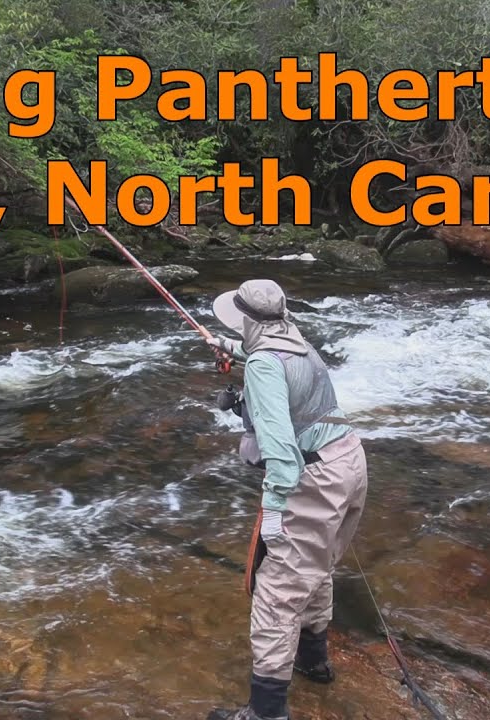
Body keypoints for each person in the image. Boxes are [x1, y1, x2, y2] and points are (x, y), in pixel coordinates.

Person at [201, 278, 368, 720]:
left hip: (314, 474)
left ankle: (266, 712)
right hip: (350, 460)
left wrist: (274, 510)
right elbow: (269, 358)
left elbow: (281, 455)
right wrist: (230, 350)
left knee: (277, 589)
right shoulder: (297, 342)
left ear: (250, 322)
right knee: (317, 567)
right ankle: (313, 661)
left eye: (238, 328)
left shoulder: (263, 366)